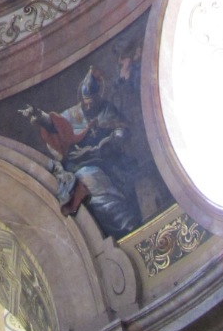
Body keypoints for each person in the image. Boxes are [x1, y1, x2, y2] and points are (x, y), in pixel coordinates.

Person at [21, 66, 140, 237]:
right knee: (97, 187)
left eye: (93, 102)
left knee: (128, 178)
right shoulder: (70, 115)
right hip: (82, 165)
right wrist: (41, 118)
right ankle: (124, 224)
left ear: (98, 97)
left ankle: (133, 225)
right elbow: (56, 131)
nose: (89, 106)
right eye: (86, 103)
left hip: (108, 158)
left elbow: (122, 129)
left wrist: (109, 143)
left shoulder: (107, 109)